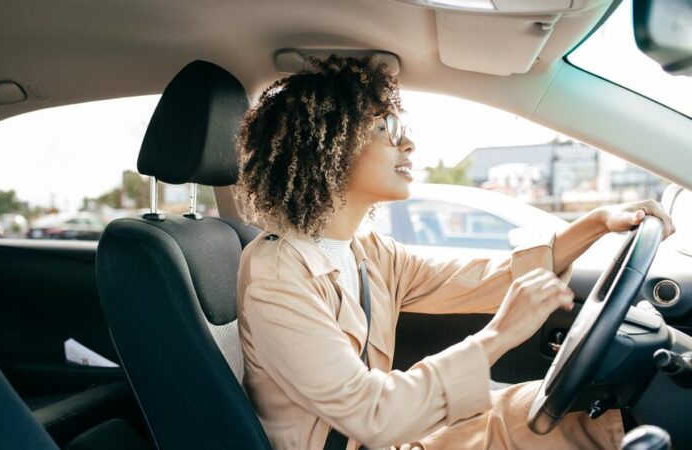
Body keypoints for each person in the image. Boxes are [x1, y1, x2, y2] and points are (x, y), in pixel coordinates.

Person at [234, 55, 675, 450]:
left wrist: (595, 224)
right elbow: (374, 415)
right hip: (372, 436)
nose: (407, 144)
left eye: (400, 128)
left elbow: (488, 279)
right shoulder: (276, 276)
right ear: (323, 145)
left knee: (574, 413)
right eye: (384, 127)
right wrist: (499, 334)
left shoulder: (367, 251)